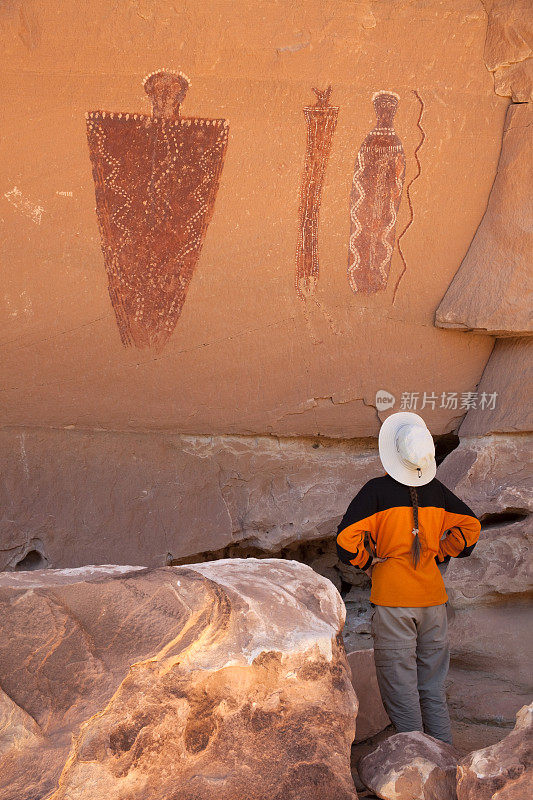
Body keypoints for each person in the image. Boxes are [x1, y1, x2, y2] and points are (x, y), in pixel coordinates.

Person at [336, 411, 481, 745]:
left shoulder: (375, 491)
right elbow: (471, 528)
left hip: (393, 601)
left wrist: (368, 562)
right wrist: (440, 552)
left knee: (400, 688)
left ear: (393, 454)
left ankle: (414, 761)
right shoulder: (437, 491)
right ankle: (443, 758)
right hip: (433, 601)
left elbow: (345, 540)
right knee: (432, 688)